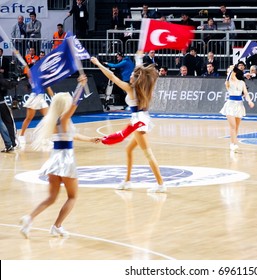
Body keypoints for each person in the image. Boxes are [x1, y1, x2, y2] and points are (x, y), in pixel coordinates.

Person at [19, 75, 101, 238]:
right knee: (72, 196)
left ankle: (29, 219)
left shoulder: (54, 119)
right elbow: (74, 105)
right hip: (66, 160)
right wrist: (80, 87)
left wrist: (91, 139)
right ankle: (57, 226)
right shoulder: (64, 119)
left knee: (51, 197)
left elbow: (73, 136)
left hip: (54, 160)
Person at [91, 56, 165, 192]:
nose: (129, 75)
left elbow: (112, 77)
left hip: (138, 122)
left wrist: (98, 64)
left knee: (148, 154)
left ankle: (161, 184)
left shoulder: (131, 89)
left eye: (131, 74)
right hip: (142, 119)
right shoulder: (145, 89)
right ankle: (127, 181)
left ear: (135, 79)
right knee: (129, 149)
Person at [220, 64, 254, 152]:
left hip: (239, 105)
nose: (228, 73)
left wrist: (249, 101)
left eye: (229, 71)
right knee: (233, 126)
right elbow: (227, 79)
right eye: (227, 72)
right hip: (230, 105)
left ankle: (234, 142)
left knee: (237, 127)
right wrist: (230, 70)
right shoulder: (228, 82)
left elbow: (246, 93)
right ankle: (233, 143)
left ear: (234, 72)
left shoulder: (242, 83)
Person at [0, 77, 18, 152]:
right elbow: (9, 85)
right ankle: (10, 143)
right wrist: (15, 81)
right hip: (1, 103)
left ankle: (9, 144)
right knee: (7, 123)